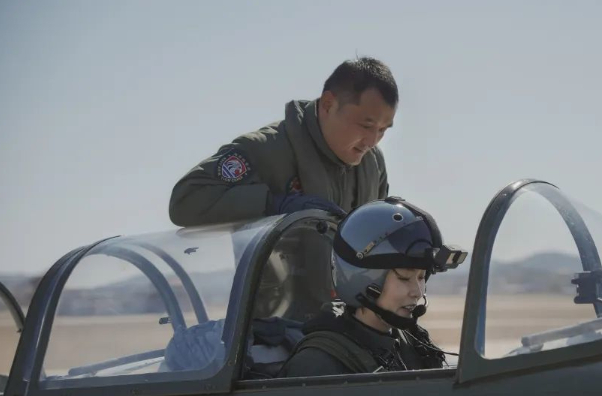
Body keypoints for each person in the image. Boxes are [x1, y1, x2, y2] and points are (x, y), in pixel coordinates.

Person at [169, 56, 398, 227]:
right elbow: (186, 201)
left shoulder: (373, 162)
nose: (372, 140)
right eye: (366, 126)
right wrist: (274, 205)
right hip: (277, 292)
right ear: (328, 104)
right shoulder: (266, 150)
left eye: (382, 130)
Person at [278, 197, 468, 377]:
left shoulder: (413, 345)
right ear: (364, 280)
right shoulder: (318, 365)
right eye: (404, 277)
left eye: (421, 277)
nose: (417, 292)